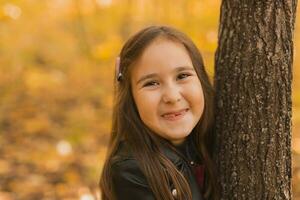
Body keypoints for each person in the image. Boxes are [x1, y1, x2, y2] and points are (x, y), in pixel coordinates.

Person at [99, 25, 219, 200]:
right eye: (151, 83)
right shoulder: (131, 171)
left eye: (182, 76)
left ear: (201, 80)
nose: (172, 96)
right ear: (131, 97)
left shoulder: (207, 142)